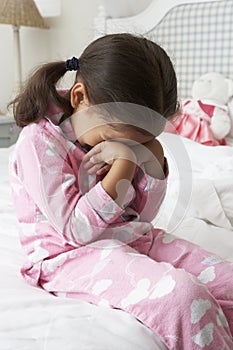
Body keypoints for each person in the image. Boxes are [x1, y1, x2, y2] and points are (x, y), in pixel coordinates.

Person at [9, 33, 233, 349]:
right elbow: (77, 230)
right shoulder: (39, 141)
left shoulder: (127, 134)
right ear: (78, 97)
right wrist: (124, 165)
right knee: (183, 297)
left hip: (132, 236)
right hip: (68, 254)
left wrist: (151, 155)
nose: (128, 146)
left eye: (141, 140)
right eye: (119, 136)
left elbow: (143, 216)